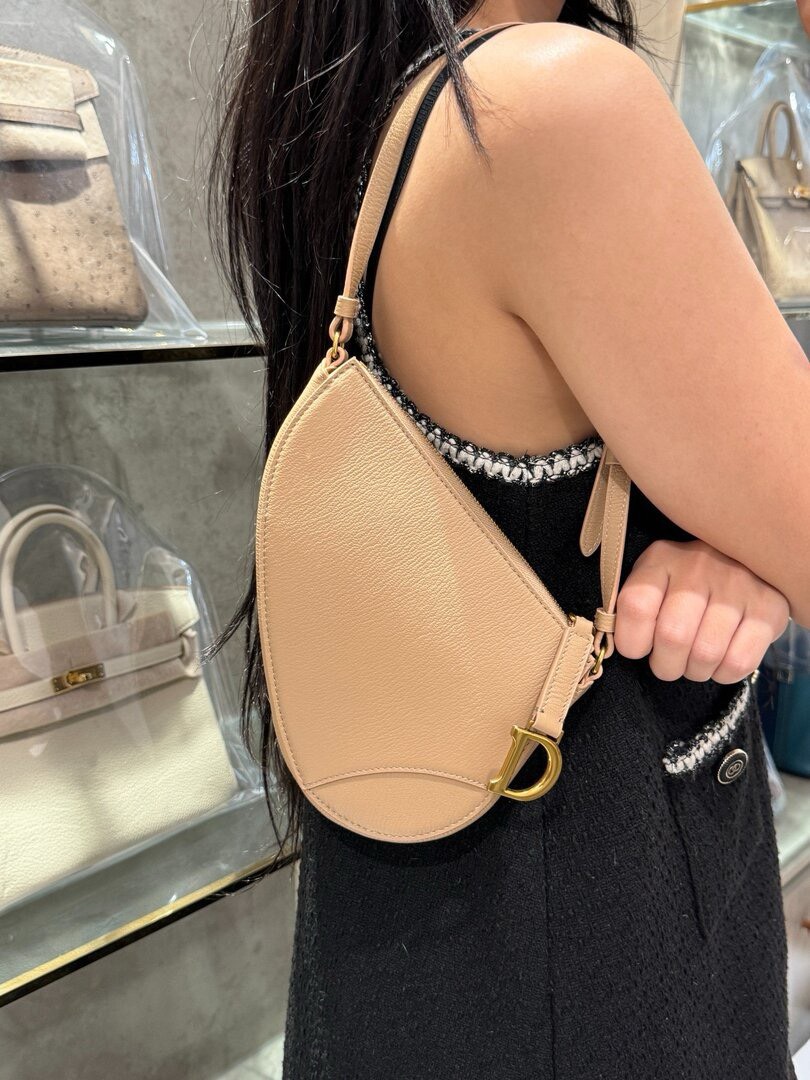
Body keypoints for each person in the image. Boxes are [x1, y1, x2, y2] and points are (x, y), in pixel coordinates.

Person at [209, 3, 809, 1077]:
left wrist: (740, 536)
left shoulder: (361, 107)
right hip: (595, 947)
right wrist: (761, 544)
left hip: (400, 928)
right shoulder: (547, 104)